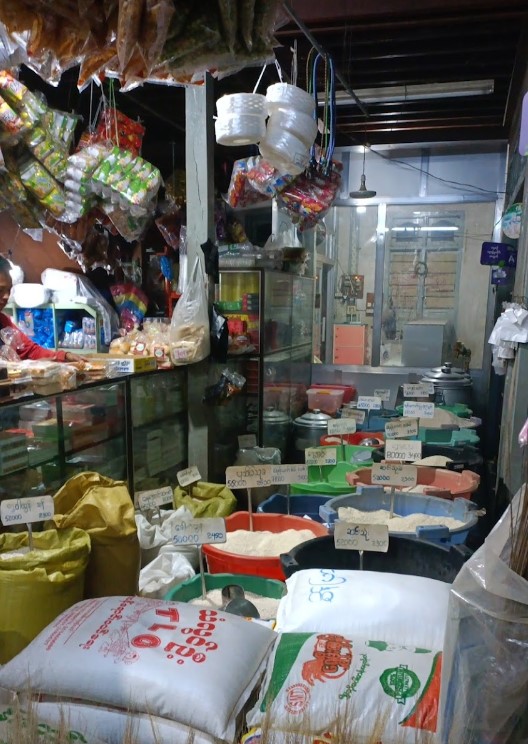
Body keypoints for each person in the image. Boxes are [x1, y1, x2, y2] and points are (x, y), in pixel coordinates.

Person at [0, 257, 85, 363]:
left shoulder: (3, 322)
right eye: (0, 290)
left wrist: (64, 356)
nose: (6, 296)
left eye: (9, 290)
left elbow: (30, 351)